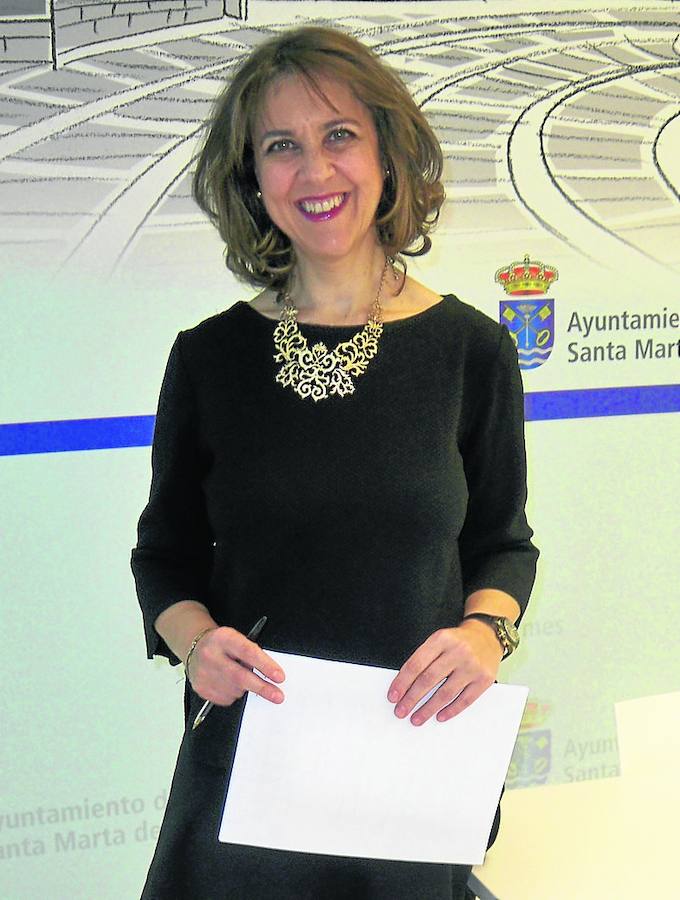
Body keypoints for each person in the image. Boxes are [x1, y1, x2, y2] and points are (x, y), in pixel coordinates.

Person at [131, 24, 538, 900]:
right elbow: (163, 557)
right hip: (245, 782)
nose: (314, 171)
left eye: (339, 135)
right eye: (281, 146)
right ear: (253, 179)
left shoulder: (472, 352)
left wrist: (485, 634)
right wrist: (195, 644)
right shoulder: (209, 358)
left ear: (388, 154)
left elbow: (504, 543)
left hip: (409, 772)